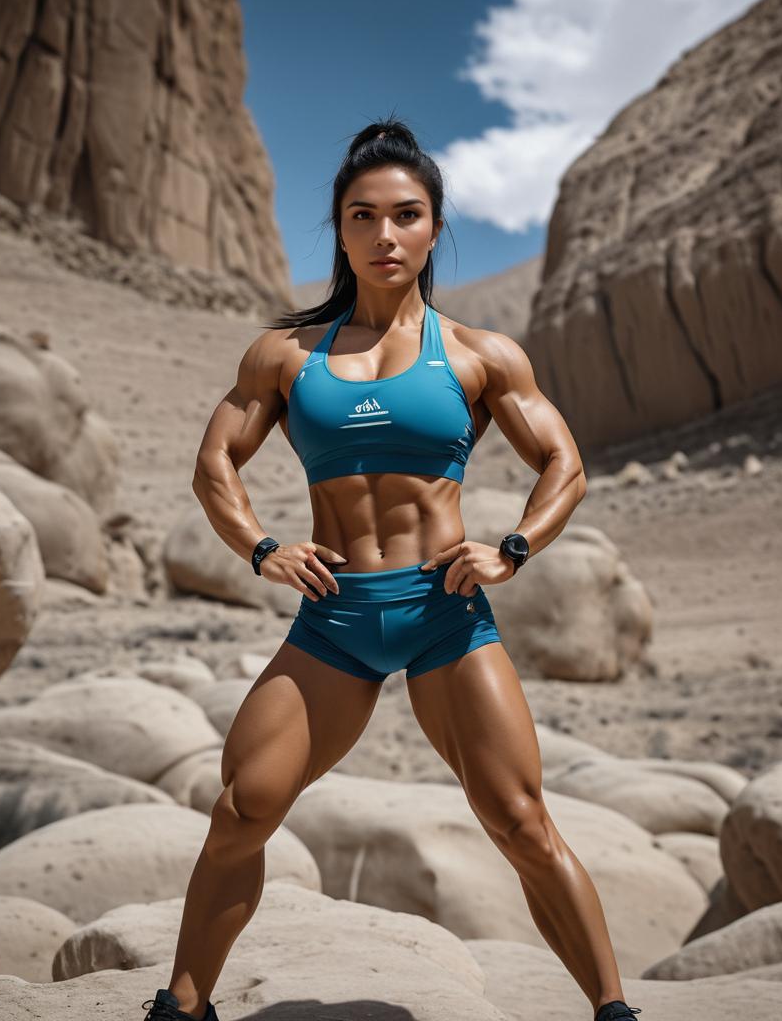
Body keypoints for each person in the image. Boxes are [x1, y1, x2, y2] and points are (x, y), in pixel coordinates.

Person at [141, 118, 643, 1021]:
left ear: (434, 228)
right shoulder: (286, 354)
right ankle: (182, 1007)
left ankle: (614, 1011)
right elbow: (213, 464)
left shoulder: (483, 355)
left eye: (405, 215)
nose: (384, 235)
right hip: (335, 619)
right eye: (362, 216)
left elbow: (563, 465)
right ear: (339, 229)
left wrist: (512, 547)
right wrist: (262, 548)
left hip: (445, 611)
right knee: (242, 810)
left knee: (521, 821)